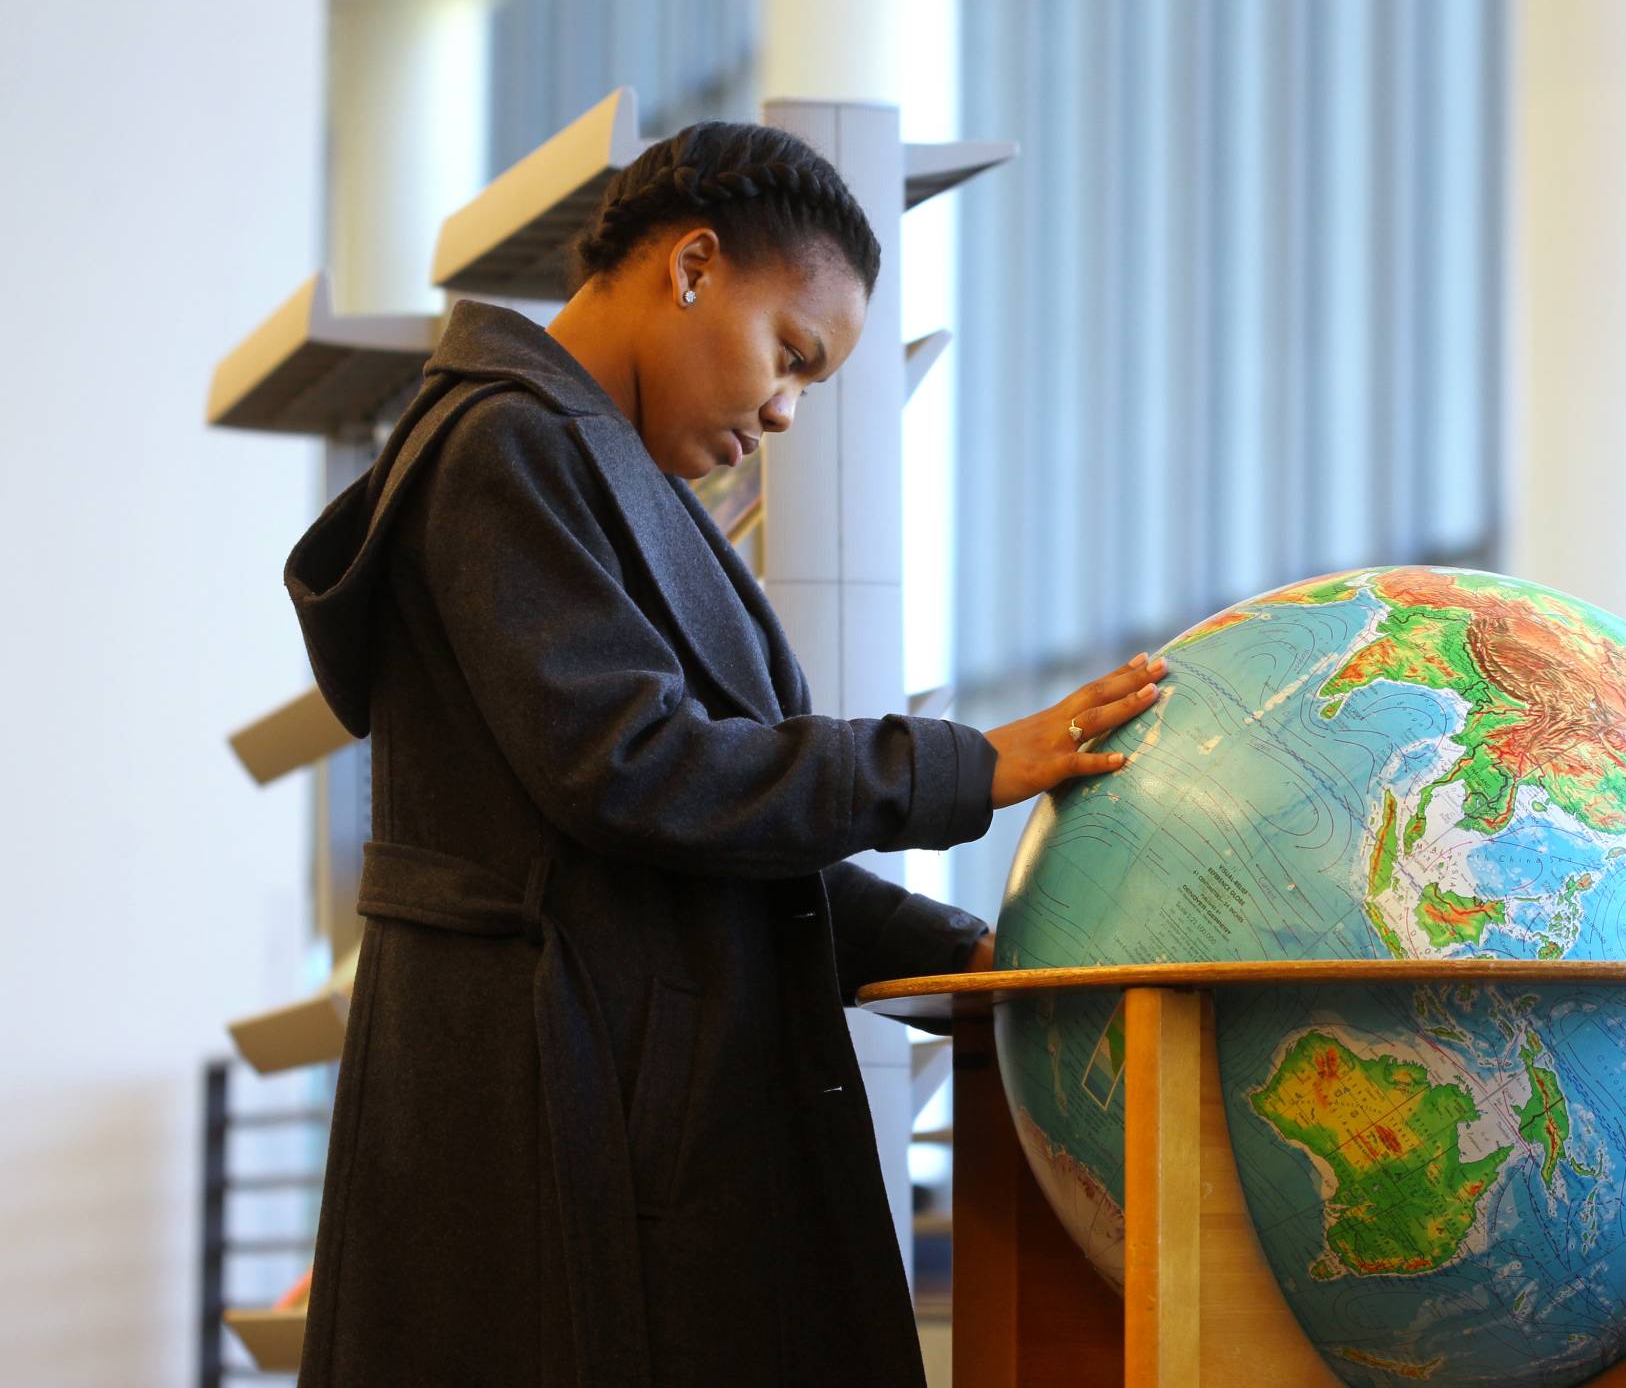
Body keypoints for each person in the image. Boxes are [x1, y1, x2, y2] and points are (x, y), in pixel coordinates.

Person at [281, 120, 1168, 1387]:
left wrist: (964, 955)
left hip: (608, 1100)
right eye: (790, 354)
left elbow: (720, 835)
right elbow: (638, 769)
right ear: (693, 265)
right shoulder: (505, 446)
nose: (787, 409)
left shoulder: (575, 463)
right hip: (554, 1119)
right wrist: (967, 766)